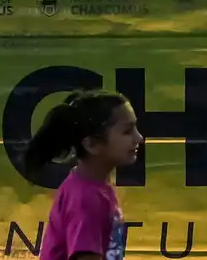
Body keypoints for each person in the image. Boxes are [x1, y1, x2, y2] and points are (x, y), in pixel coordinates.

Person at [25, 90, 143, 260]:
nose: (139, 137)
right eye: (127, 131)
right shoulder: (86, 199)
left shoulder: (95, 186)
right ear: (92, 144)